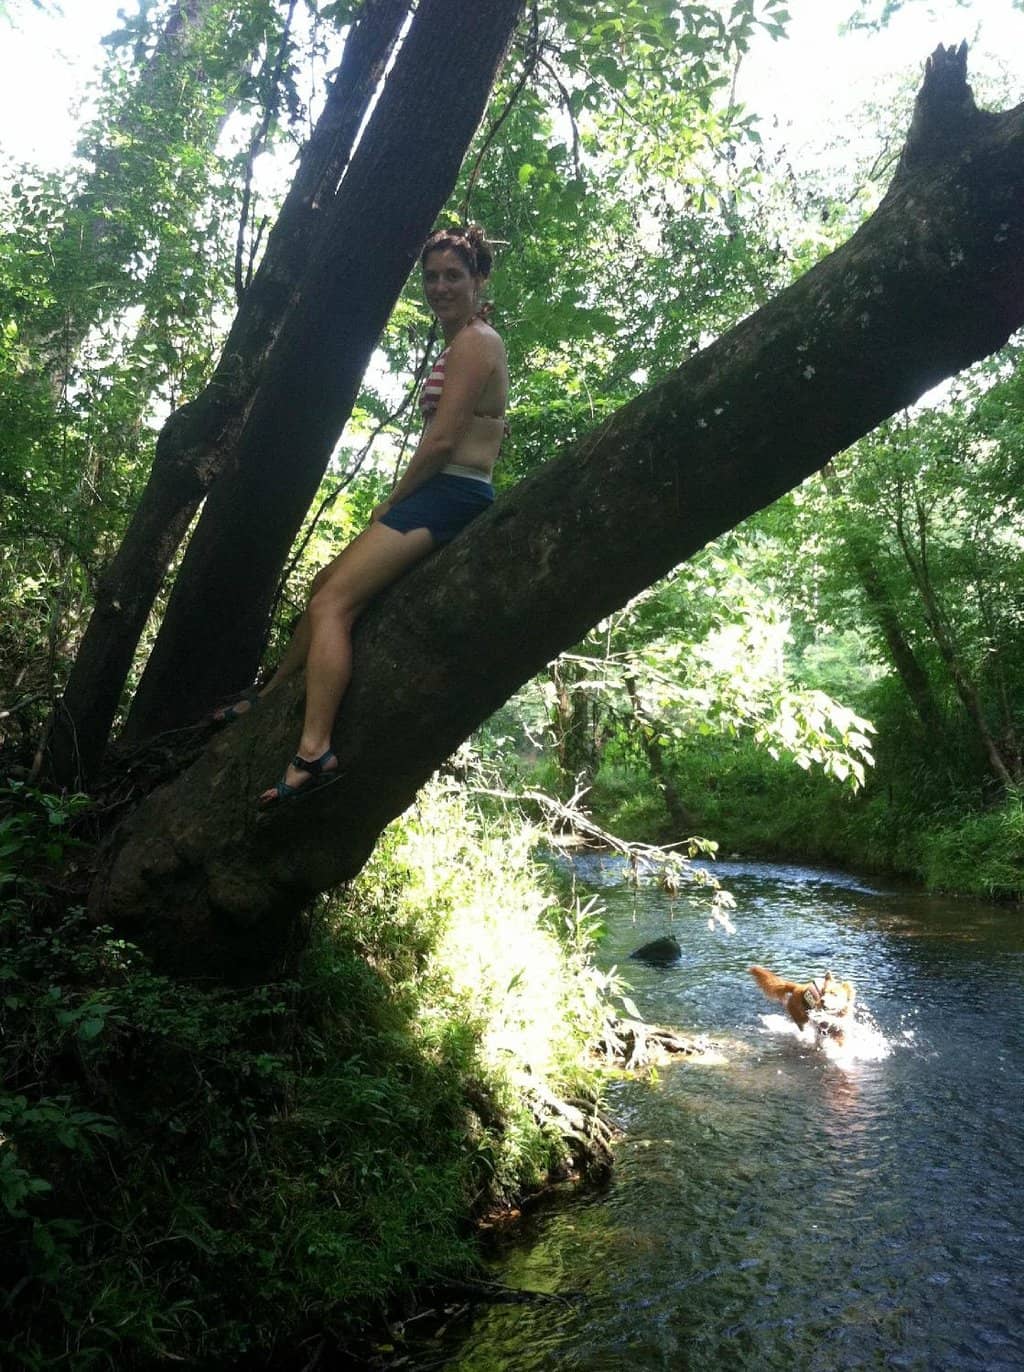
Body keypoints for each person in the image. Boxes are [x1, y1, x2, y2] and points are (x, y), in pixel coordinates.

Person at [215, 224, 508, 806]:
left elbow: (445, 439)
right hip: (447, 491)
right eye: (432, 276)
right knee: (325, 584)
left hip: (452, 493)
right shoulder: (464, 342)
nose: (440, 286)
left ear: (479, 281)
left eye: (454, 275)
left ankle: (314, 750)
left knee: (331, 604)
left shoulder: (477, 340)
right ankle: (270, 694)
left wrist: (395, 500)